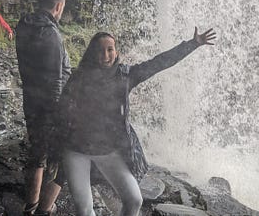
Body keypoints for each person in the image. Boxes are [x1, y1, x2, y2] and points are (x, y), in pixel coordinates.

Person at [47, 27, 216, 216]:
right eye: (100, 50)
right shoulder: (79, 77)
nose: (106, 54)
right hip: (76, 150)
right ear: (93, 53)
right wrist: (53, 151)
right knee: (84, 210)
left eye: (110, 49)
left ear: (116, 52)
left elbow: (158, 63)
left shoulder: (125, 76)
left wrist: (192, 44)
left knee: (135, 200)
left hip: (107, 151)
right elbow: (61, 112)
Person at [15, 0, 72, 216]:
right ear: (58, 6)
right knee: (62, 157)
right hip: (50, 105)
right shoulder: (52, 35)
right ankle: (45, 208)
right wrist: (60, 112)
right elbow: (56, 79)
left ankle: (30, 205)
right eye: (62, 8)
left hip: (30, 97)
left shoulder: (23, 25)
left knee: (37, 152)